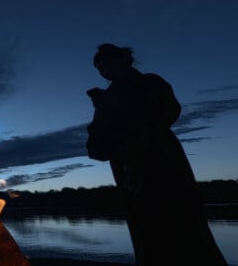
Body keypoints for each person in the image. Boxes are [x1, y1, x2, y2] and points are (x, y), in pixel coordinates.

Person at [86, 43, 227, 265]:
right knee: (147, 237)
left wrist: (134, 154)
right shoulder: (106, 99)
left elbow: (162, 115)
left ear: (124, 59)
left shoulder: (150, 83)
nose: (104, 69)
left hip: (165, 169)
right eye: (99, 66)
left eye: (108, 62)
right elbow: (97, 149)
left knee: (187, 232)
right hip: (129, 180)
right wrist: (101, 112)